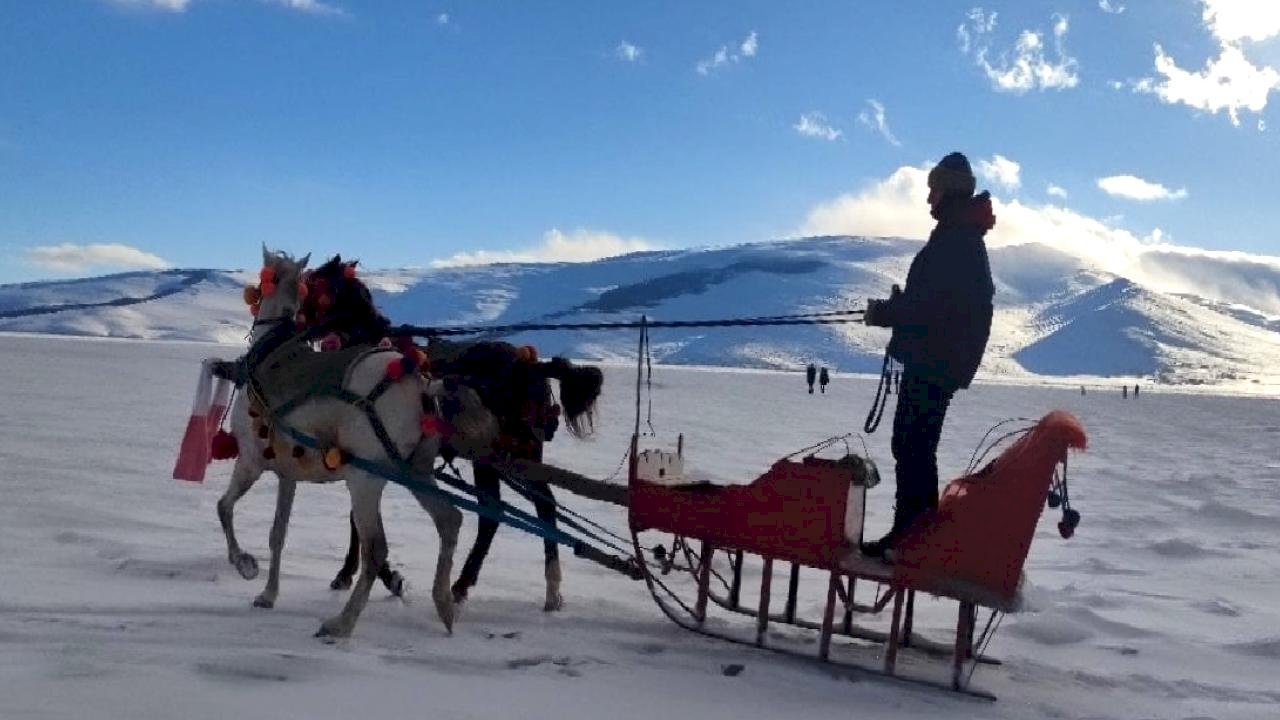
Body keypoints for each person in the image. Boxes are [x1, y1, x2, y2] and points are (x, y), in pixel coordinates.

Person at [860, 152, 995, 560]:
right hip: (939, 360)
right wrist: (902, 308)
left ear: (948, 191)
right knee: (912, 445)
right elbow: (936, 303)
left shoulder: (957, 240)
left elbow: (932, 309)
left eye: (933, 189)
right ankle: (913, 534)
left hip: (935, 363)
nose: (928, 199)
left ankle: (912, 539)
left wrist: (887, 313)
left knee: (913, 446)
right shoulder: (959, 236)